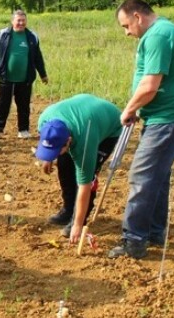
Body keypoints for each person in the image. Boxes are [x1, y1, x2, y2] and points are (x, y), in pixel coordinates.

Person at [107, 0, 174, 259]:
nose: (127, 33)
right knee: (157, 176)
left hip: (169, 119)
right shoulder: (165, 30)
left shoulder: (158, 35)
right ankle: (155, 232)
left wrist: (130, 109)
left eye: (126, 26)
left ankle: (134, 240)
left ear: (138, 16)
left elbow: (149, 85)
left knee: (142, 176)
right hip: (162, 117)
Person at [34, 94, 122, 242]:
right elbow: (48, 141)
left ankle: (79, 218)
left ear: (68, 141)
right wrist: (48, 157)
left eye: (58, 149)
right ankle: (68, 210)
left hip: (109, 126)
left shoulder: (85, 143)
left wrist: (77, 225)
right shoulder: (44, 120)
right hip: (83, 113)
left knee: (87, 173)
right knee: (63, 164)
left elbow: (84, 186)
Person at [0, 9, 49, 140]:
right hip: (6, 77)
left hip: (25, 79)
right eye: (18, 20)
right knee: (2, 104)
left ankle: (23, 130)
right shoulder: (2, 34)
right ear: (12, 21)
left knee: (24, 105)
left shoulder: (32, 36)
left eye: (23, 20)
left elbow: (38, 57)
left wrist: (43, 74)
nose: (21, 23)